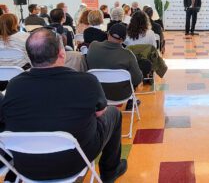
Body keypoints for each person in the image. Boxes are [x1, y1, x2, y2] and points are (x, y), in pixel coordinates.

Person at [0, 28, 127, 181]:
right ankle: (110, 172)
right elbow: (100, 112)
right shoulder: (86, 81)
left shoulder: (14, 86)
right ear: (62, 53)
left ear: (29, 56)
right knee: (114, 113)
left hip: (27, 166)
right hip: (75, 161)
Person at [87, 23, 143, 90]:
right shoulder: (128, 55)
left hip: (96, 91)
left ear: (108, 34)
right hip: (120, 95)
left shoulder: (93, 46)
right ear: (123, 40)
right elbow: (137, 80)